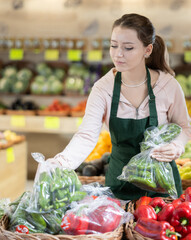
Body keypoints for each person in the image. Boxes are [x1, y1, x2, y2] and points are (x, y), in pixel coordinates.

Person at [48, 13, 191, 200]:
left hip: (162, 186)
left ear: (147, 50)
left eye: (128, 48)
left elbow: (185, 127)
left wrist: (176, 145)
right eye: (113, 45)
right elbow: (86, 135)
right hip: (120, 186)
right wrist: (60, 162)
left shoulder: (167, 86)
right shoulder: (102, 89)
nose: (118, 54)